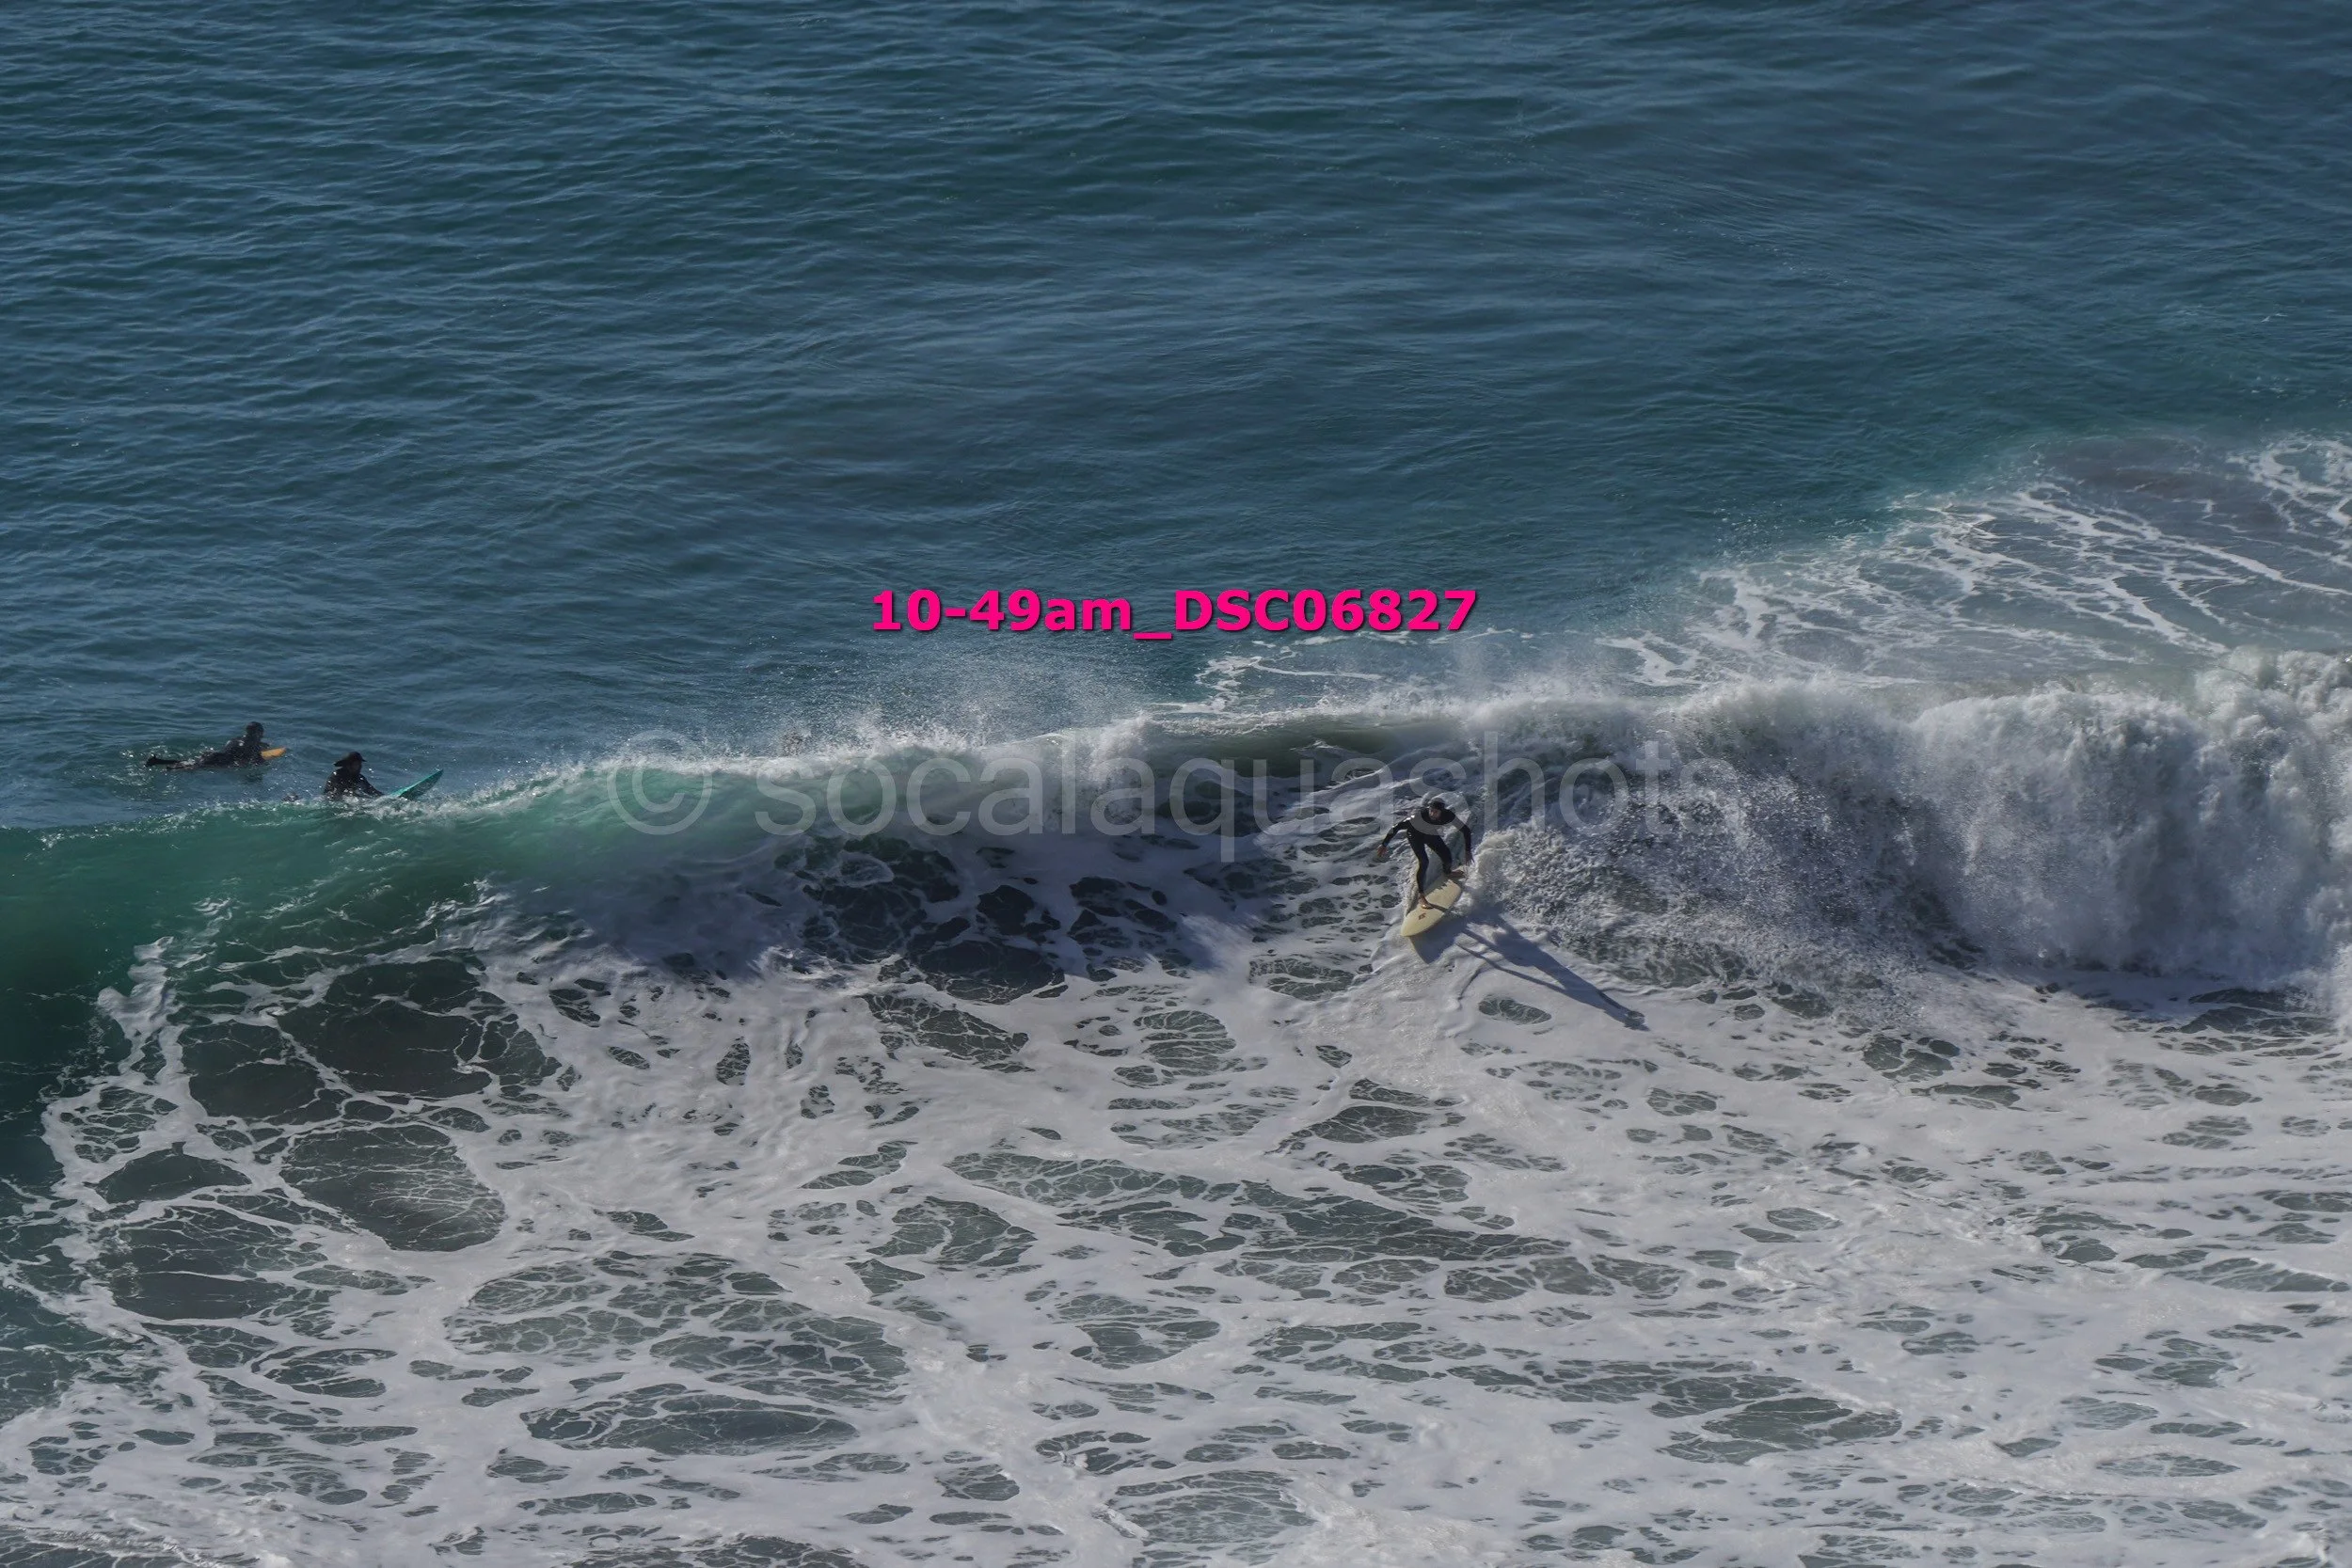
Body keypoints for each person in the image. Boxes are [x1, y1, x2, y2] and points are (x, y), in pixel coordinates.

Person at [1375, 795, 1473, 902]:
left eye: (1436, 812)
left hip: (1430, 833)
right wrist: (1384, 844)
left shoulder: (1448, 816)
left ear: (1442, 811)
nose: (1432, 814)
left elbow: (1466, 830)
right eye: (1431, 810)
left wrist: (1467, 850)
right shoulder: (1418, 817)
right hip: (1415, 836)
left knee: (1447, 856)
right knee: (1424, 862)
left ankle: (1447, 872)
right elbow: (1396, 827)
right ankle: (1421, 895)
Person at [147, 722, 269, 769]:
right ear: (258, 733)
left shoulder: (237, 739)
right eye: (262, 732)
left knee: (192, 762)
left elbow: (242, 748)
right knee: (194, 767)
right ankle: (171, 769)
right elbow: (256, 760)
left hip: (213, 755)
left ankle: (157, 761)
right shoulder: (252, 745)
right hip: (221, 761)